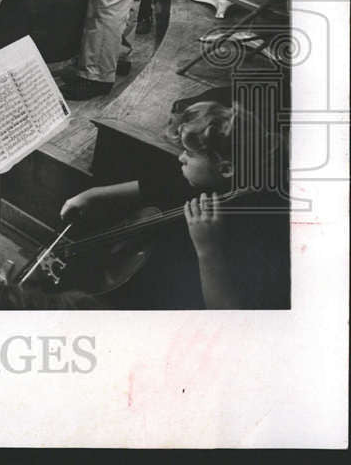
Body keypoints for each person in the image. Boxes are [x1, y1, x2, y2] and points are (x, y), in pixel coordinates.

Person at [60, 101, 289, 309]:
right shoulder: (211, 179)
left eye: (189, 154)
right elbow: (157, 186)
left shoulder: (256, 226)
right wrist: (92, 195)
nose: (181, 158)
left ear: (226, 168)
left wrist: (207, 247)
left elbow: (227, 311)